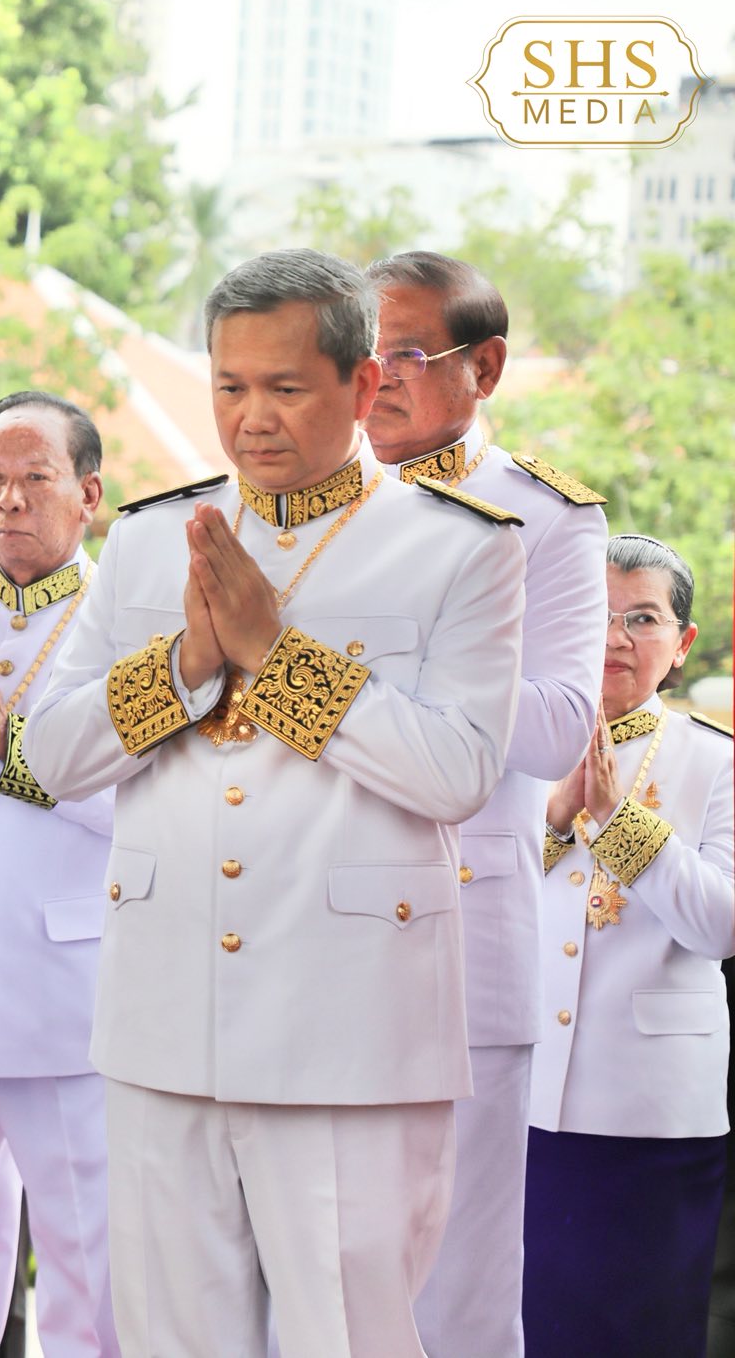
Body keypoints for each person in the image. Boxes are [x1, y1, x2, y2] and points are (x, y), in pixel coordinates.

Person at [22, 249, 526, 1356]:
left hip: (346, 1022)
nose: (250, 418)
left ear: (360, 385)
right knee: (169, 1335)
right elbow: (50, 752)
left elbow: (457, 768)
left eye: (284, 387)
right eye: (228, 386)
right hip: (163, 1015)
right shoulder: (154, 537)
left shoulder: (457, 549)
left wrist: (279, 659)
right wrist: (185, 667)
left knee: (345, 1333)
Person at [359, 251, 609, 1358]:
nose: (377, 378)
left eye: (406, 353)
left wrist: (367, 672)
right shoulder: (312, 503)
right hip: (302, 937)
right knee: (307, 1272)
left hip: (461, 937)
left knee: (453, 1290)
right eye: (359, 355)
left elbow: (558, 726)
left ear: (485, 365)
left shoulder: (544, 519)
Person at [0, 392, 119, 1358]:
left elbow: (144, 806)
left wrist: (12, 749)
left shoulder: (129, 623)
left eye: (34, 479)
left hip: (66, 995)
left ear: (87, 493)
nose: (8, 502)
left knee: (90, 1264)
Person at [524, 534, 734, 1358]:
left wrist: (619, 823)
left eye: (641, 619)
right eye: (600, 616)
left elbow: (720, 924)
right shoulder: (516, 751)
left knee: (642, 1322)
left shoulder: (715, 764)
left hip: (652, 1102)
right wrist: (549, 821)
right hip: (522, 1085)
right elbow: (468, 896)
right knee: (523, 1317)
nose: (615, 637)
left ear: (680, 647)